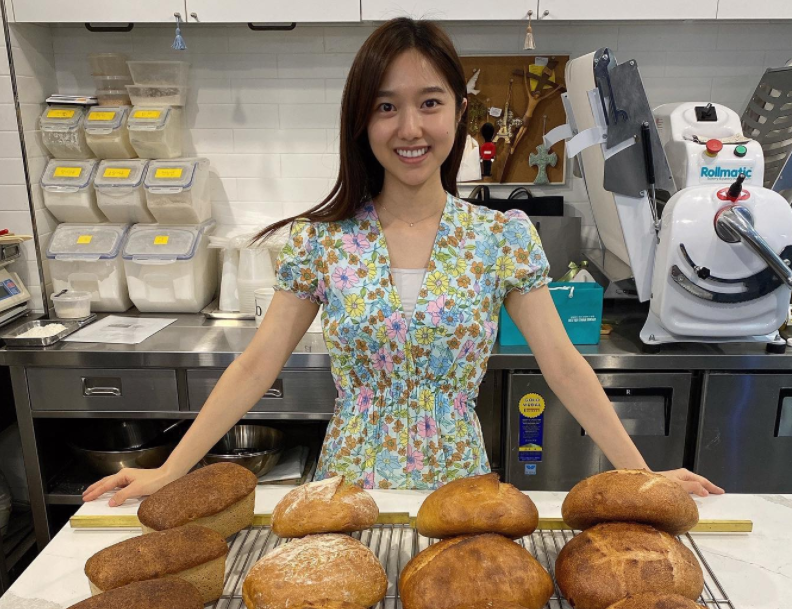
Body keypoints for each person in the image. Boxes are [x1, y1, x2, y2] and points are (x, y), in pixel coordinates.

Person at [83, 17, 723, 507]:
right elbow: (255, 365)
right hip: (348, 494)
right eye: (386, 106)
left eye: (429, 102)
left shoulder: (501, 239)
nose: (410, 127)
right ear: (362, 121)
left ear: (459, 113)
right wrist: (171, 469)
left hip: (461, 493)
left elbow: (563, 365)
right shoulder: (321, 242)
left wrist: (642, 477)